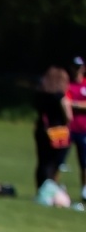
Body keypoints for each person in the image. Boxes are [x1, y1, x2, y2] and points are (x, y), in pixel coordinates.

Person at [36, 66, 74, 203]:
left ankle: (40, 189)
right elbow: (68, 116)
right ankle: (50, 188)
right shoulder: (60, 96)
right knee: (55, 162)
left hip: (42, 130)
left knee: (42, 161)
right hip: (58, 131)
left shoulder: (41, 95)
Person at [68, 58, 86, 199]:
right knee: (58, 161)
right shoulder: (67, 84)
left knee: (84, 163)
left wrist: (74, 104)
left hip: (84, 130)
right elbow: (64, 101)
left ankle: (84, 191)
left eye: (79, 67)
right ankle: (53, 190)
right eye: (75, 67)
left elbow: (68, 103)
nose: (77, 70)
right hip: (67, 129)